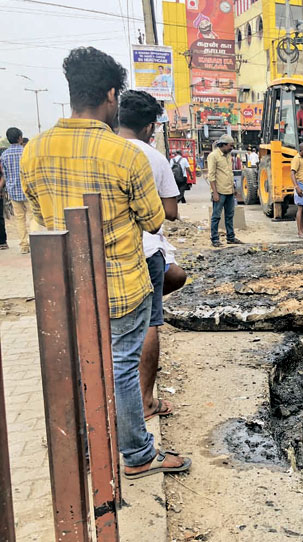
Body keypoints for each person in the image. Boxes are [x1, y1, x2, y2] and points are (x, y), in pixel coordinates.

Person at [20, 46, 191, 479]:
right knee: (121, 364)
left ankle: (87, 448)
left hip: (68, 285)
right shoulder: (126, 155)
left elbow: (41, 215)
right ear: (111, 95)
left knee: (80, 361)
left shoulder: (33, 152)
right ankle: (136, 455)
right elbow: (154, 220)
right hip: (121, 284)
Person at [118, 89, 188, 424]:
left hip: (103, 249)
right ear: (149, 126)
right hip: (144, 250)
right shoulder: (153, 157)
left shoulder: (105, 150)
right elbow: (170, 213)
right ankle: (146, 400)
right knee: (148, 322)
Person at [208, 134, 242, 247]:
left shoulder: (228, 155)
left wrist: (234, 189)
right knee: (216, 216)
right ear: (223, 144)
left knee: (229, 216)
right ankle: (214, 239)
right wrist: (215, 193)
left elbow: (228, 173)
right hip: (220, 192)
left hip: (229, 191)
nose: (232, 148)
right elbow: (211, 176)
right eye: (230, 145)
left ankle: (231, 237)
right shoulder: (213, 156)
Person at [0, 127, 29, 253]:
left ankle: (24, 245)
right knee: (33, 217)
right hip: (28, 190)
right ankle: (35, 242)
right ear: (20, 138)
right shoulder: (26, 151)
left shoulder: (4, 155)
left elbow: (4, 174)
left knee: (19, 218)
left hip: (13, 191)